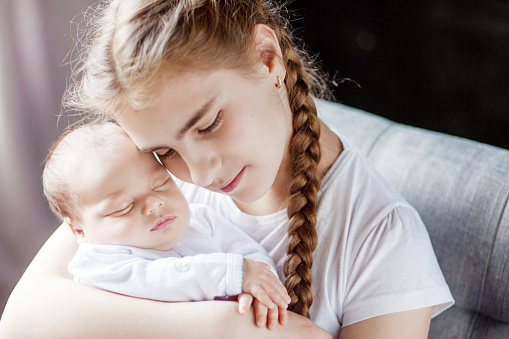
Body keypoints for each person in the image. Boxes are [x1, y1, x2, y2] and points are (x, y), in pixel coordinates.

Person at [0, 0, 454, 338]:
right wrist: (222, 326)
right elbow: (23, 319)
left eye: (209, 123)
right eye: (163, 150)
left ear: (268, 59)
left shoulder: (382, 240)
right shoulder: (150, 183)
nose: (198, 174)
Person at [42, 121, 290, 325]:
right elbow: (159, 280)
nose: (154, 204)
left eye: (161, 184)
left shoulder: (201, 217)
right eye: (123, 207)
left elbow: (248, 252)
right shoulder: (97, 265)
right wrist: (234, 274)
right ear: (79, 230)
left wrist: (258, 285)